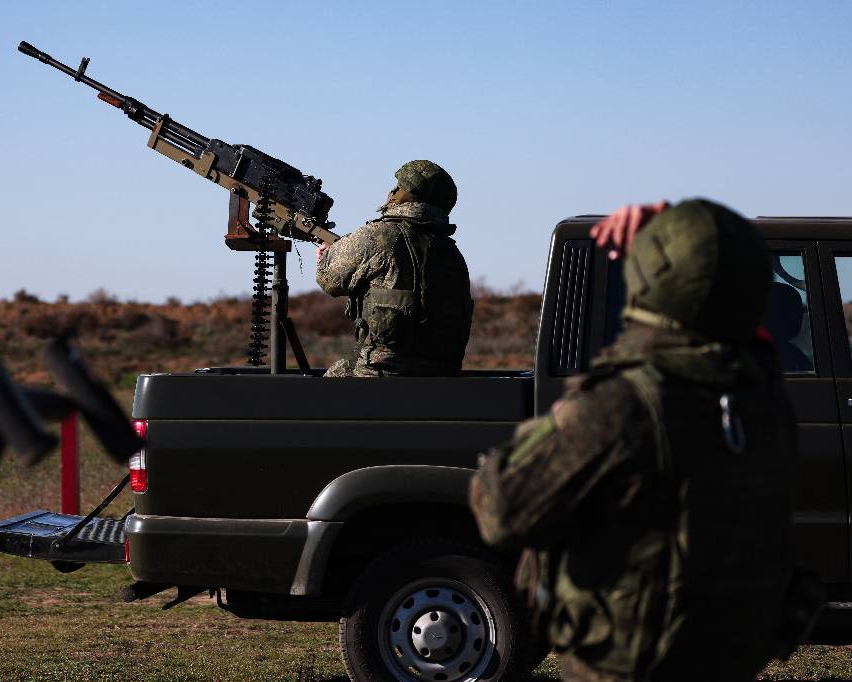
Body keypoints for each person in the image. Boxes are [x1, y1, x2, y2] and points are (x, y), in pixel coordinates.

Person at [469, 199, 808, 681]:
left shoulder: (623, 403)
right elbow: (742, 332)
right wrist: (694, 245)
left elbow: (501, 510)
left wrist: (556, 424)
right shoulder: (762, 401)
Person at [315, 160, 472, 377]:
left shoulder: (378, 235)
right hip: (443, 376)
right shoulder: (452, 254)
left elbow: (329, 279)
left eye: (399, 186)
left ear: (405, 194)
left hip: (381, 374)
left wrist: (326, 256)